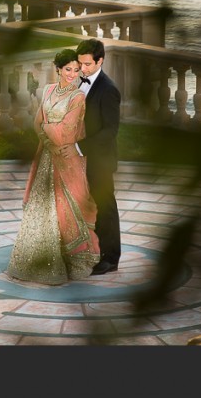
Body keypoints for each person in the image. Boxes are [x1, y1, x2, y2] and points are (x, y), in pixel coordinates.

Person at [6, 49, 101, 284]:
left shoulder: (78, 97)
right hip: (47, 156)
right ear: (57, 68)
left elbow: (66, 133)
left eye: (77, 70)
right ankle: (40, 258)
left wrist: (49, 131)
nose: (72, 74)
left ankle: (76, 259)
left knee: (69, 208)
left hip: (67, 160)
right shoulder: (48, 90)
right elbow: (37, 122)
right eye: (68, 69)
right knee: (44, 206)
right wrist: (49, 133)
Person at [63, 38, 121, 276]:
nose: (82, 69)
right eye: (80, 64)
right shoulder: (81, 83)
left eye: (87, 64)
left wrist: (79, 147)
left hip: (100, 159)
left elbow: (110, 131)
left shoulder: (109, 90)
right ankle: (93, 250)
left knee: (105, 206)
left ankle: (111, 258)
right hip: (82, 158)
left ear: (100, 61)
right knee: (88, 205)